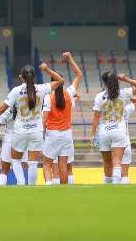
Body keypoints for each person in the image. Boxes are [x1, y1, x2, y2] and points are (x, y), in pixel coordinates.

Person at [0, 62, 65, 186]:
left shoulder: (16, 91)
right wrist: (47, 69)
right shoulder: (41, 88)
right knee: (33, 162)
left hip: (20, 131)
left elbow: (2, 108)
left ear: (21, 77)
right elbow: (61, 81)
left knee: (16, 160)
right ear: (34, 77)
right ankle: (31, 187)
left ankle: (21, 183)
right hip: (37, 130)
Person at [90, 70, 136, 185]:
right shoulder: (124, 93)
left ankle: (108, 185)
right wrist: (126, 79)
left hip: (104, 132)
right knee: (117, 161)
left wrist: (92, 134)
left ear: (104, 83)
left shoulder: (99, 96)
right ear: (116, 81)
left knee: (107, 162)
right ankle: (116, 185)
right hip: (119, 131)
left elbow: (96, 116)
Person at [41, 51, 82, 185]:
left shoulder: (48, 97)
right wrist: (70, 58)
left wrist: (40, 136)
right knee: (63, 164)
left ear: (52, 83)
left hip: (52, 134)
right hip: (66, 134)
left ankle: (48, 186)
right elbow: (79, 75)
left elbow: (44, 120)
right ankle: (63, 190)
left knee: (47, 163)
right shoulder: (69, 93)